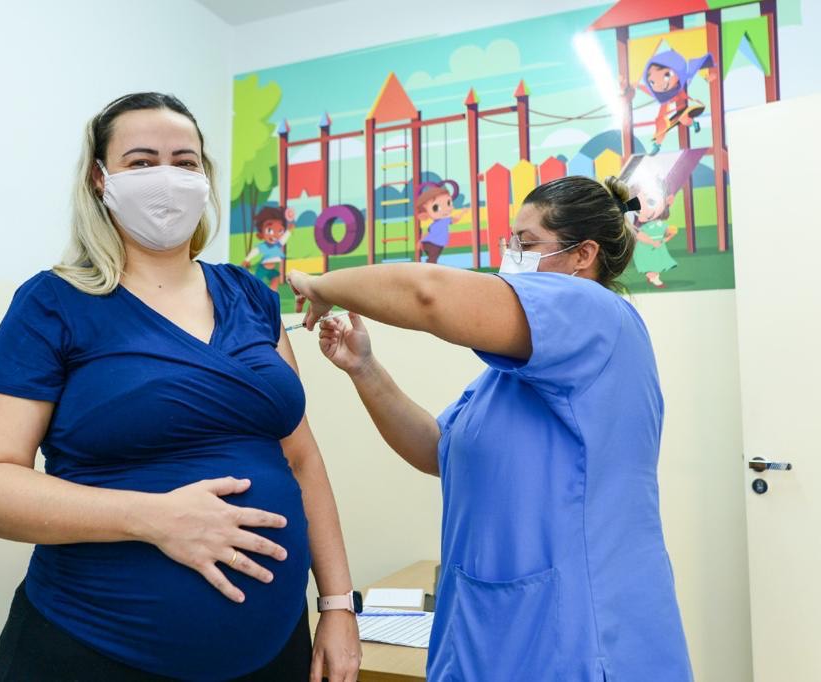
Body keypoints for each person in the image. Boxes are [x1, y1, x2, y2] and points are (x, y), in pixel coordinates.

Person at [0, 92, 361, 682]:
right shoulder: (54, 303)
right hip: (94, 650)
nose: (166, 178)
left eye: (185, 162)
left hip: (275, 649)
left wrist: (338, 605)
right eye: (141, 162)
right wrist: (153, 518)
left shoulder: (249, 297)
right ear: (100, 179)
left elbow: (300, 457)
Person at [288, 176, 692, 681]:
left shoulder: (596, 313)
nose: (512, 254)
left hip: (581, 636)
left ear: (582, 255)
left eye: (526, 243)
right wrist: (364, 368)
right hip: (492, 635)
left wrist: (321, 284)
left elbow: (428, 295)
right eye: (511, 241)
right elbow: (439, 450)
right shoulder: (511, 374)